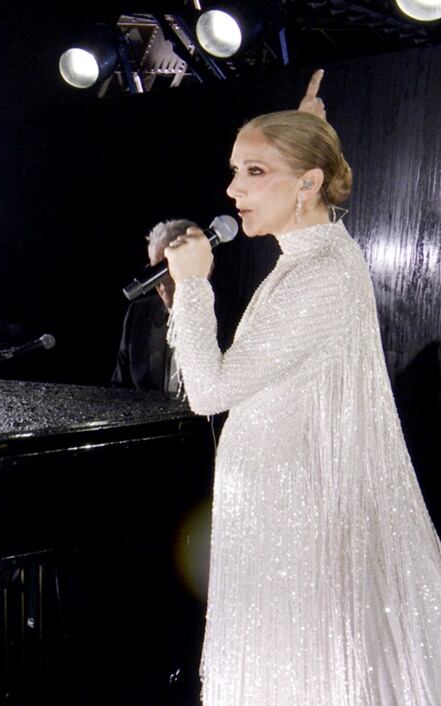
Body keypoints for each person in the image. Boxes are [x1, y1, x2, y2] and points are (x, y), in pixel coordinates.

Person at [163, 78, 441, 704]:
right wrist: (303, 126)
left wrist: (194, 288)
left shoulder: (320, 275)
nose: (233, 190)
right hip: (273, 513)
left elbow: (209, 391)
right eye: (235, 170)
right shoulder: (308, 259)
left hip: (292, 522)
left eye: (254, 172)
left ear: (309, 184)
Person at [111, 218, 197, 393]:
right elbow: (120, 390)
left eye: (167, 269)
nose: (162, 282)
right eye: (154, 272)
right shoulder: (139, 313)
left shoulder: (231, 315)